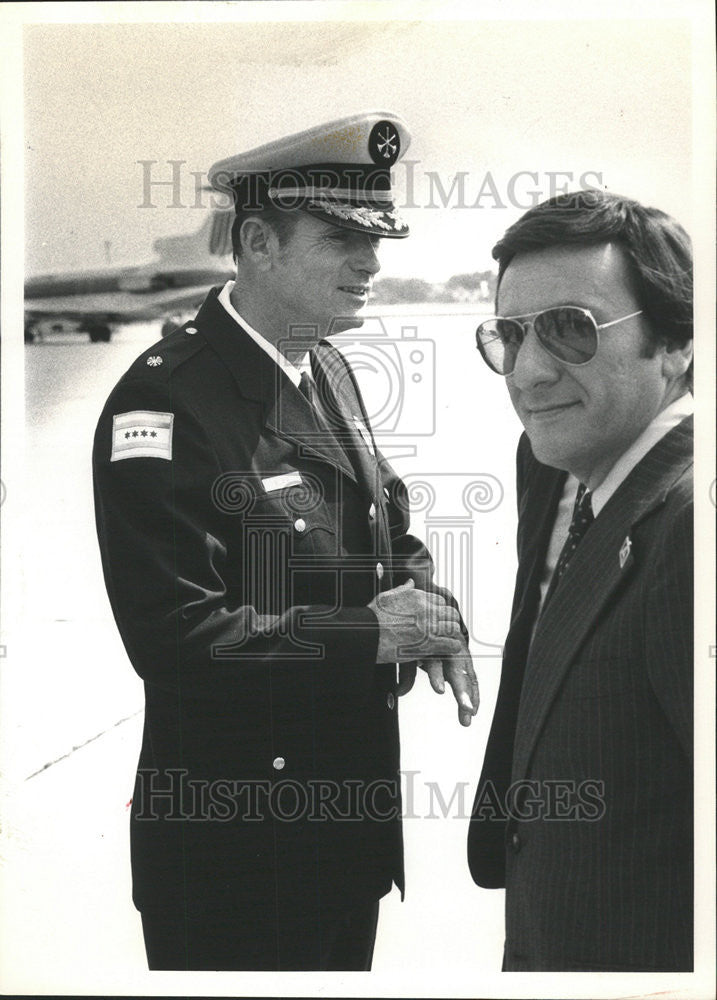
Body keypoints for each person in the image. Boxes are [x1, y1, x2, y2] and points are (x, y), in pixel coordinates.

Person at [93, 111, 478, 971]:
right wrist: (374, 634)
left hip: (342, 839)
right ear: (259, 242)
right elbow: (176, 637)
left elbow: (384, 525)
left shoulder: (326, 363)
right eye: (343, 238)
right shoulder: (163, 405)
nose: (372, 262)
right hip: (237, 857)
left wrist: (432, 608)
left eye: (376, 239)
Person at [467, 189, 693, 971]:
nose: (527, 372)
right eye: (509, 335)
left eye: (569, 329)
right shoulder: (574, 472)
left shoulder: (691, 527)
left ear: (674, 342)